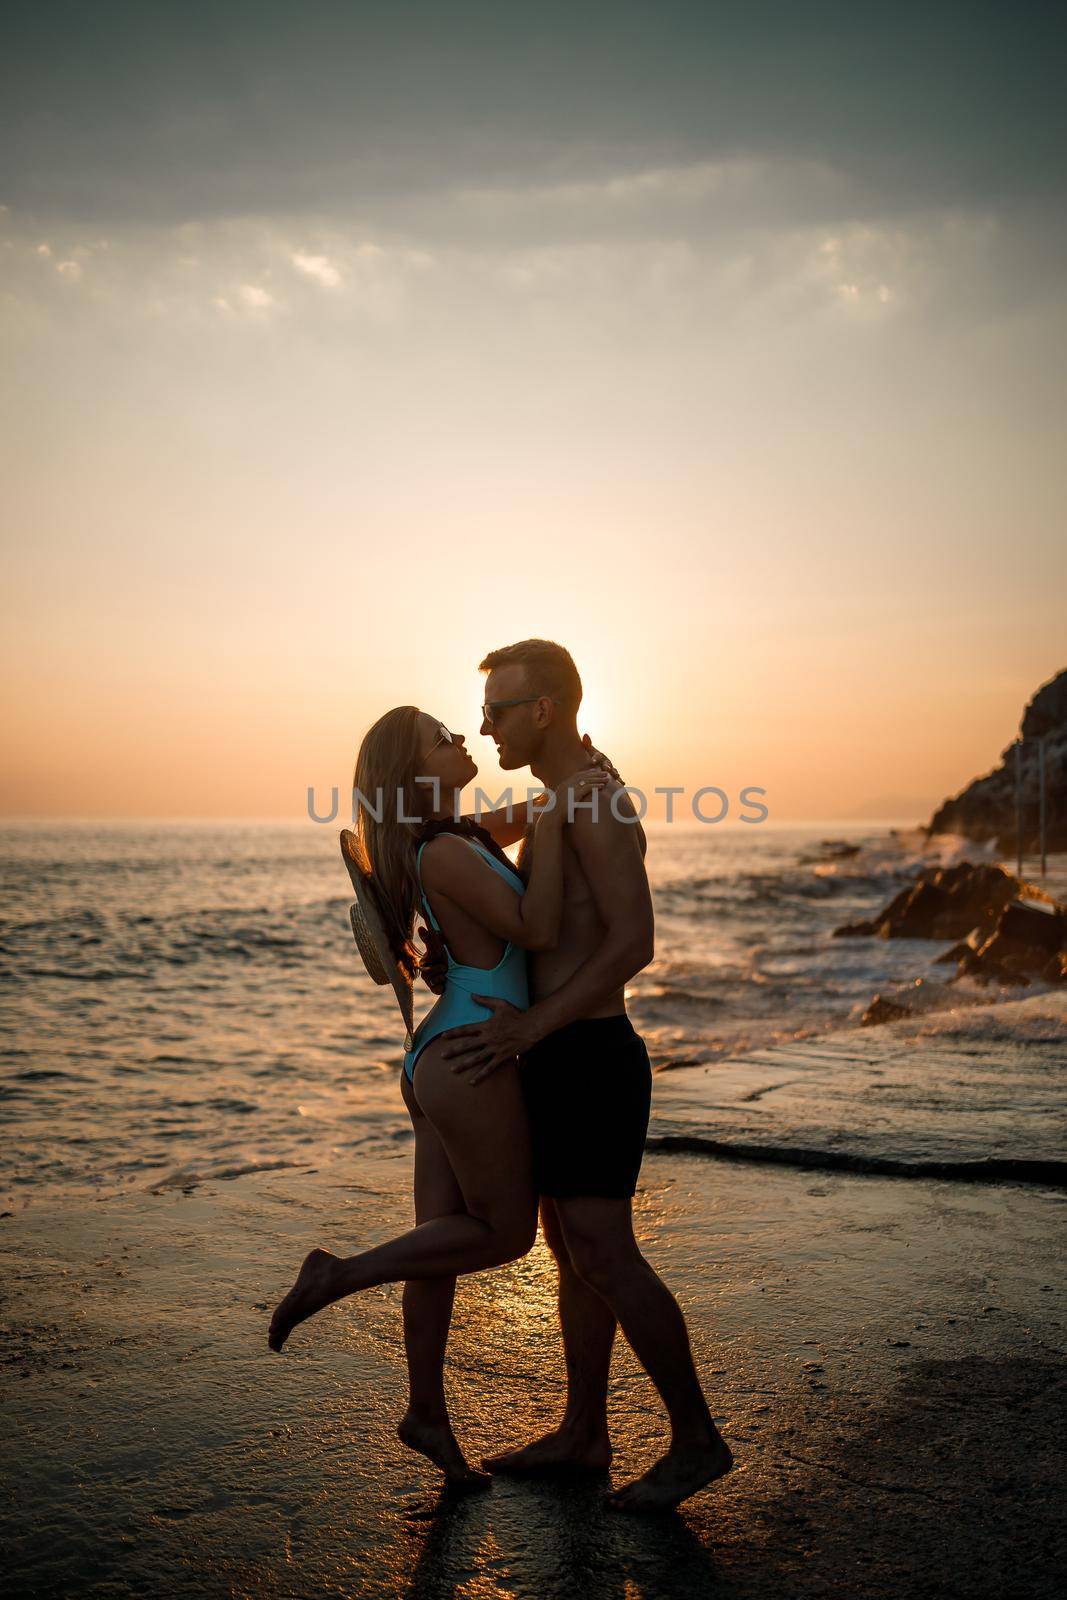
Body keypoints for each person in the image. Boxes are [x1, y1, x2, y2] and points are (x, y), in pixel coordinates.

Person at [267, 704, 607, 1493]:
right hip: (469, 1057)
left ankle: (426, 1413)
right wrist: (560, 822)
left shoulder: (460, 836)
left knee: (440, 1245)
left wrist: (576, 787)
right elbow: (540, 923)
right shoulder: (446, 853)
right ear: (415, 771)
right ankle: (335, 1274)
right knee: (502, 1236)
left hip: (438, 1053)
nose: (459, 739)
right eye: (440, 736)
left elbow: (534, 810)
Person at [431, 639, 733, 1513]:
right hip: (559, 1053)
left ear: (546, 710)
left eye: (497, 710)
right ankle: (584, 1431)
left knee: (602, 1248)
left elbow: (632, 944)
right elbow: (497, 859)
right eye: (479, 712)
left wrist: (529, 1024)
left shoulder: (596, 804)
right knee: (570, 1247)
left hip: (592, 1056)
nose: (484, 726)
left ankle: (698, 1441)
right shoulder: (573, 791)